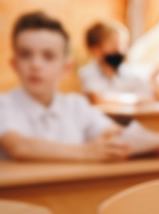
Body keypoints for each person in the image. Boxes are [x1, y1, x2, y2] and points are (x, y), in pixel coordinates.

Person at [0, 11, 130, 161]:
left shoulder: (77, 105)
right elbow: (19, 146)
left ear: (66, 68)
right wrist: (86, 152)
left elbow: (117, 135)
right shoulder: (4, 105)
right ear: (14, 65)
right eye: (25, 55)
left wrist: (150, 143)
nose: (35, 65)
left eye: (48, 56)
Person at [78, 20, 159, 105]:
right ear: (95, 50)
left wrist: (154, 80)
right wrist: (137, 101)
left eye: (122, 44)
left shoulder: (130, 72)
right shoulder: (89, 73)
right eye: (114, 45)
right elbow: (98, 101)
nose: (119, 50)